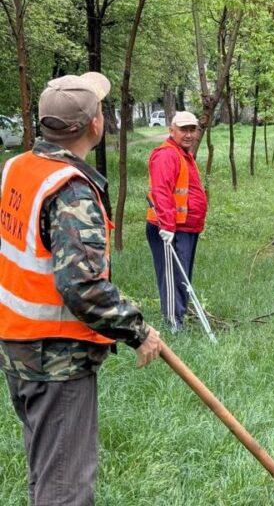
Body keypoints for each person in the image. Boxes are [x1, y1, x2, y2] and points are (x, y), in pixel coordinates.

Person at [0, 72, 162, 505]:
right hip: (57, 361)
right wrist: (138, 330)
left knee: (46, 471)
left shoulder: (18, 168)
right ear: (95, 124)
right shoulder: (69, 190)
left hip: (18, 348)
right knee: (65, 490)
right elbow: (82, 286)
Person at [146, 111, 208, 330]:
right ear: (172, 130)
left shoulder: (183, 154)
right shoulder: (167, 154)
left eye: (192, 129)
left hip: (187, 227)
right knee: (173, 277)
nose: (189, 134)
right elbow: (161, 191)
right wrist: (167, 226)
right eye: (183, 129)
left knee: (182, 276)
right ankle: (173, 324)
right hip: (171, 229)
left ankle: (179, 317)